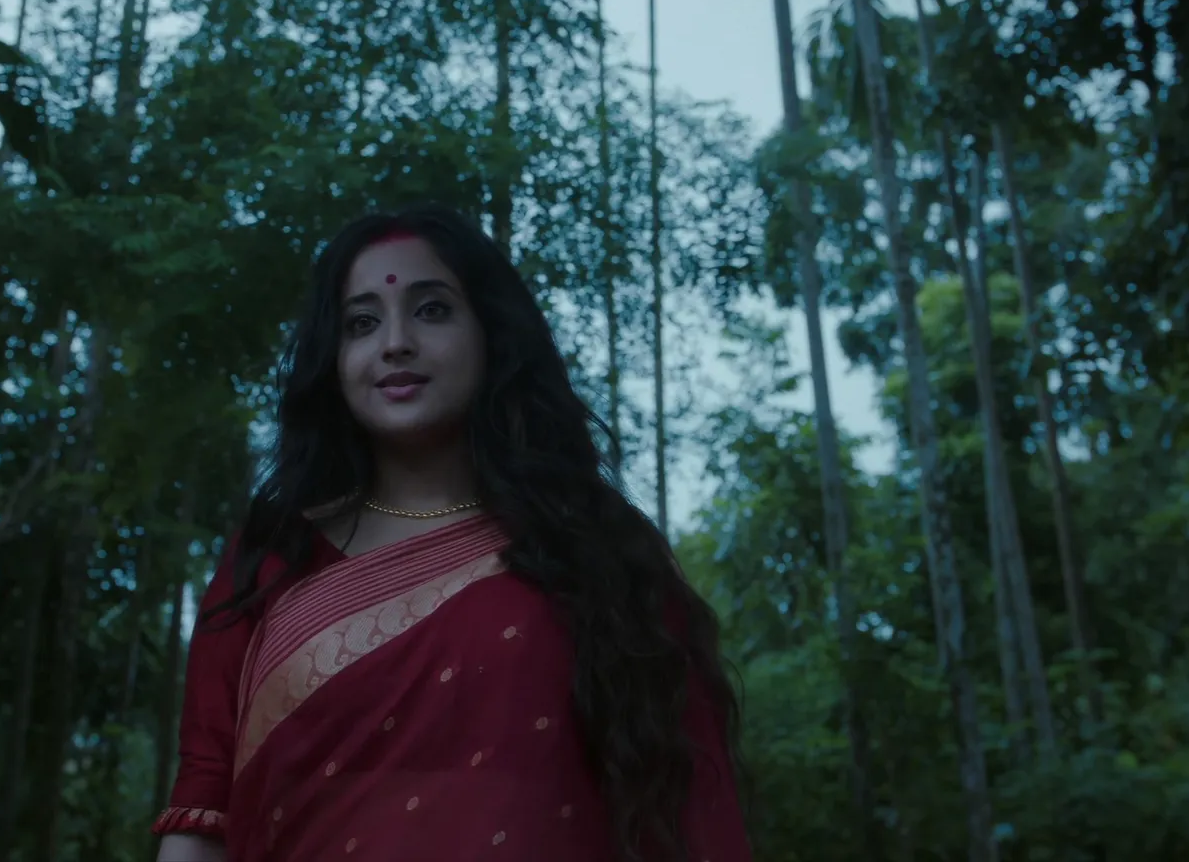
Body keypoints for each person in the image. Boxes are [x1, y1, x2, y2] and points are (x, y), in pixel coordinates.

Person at [153, 206, 750, 862]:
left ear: (491, 333)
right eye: (361, 323)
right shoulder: (271, 558)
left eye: (431, 310)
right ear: (334, 357)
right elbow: (203, 807)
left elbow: (685, 797)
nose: (395, 342)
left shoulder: (599, 548)